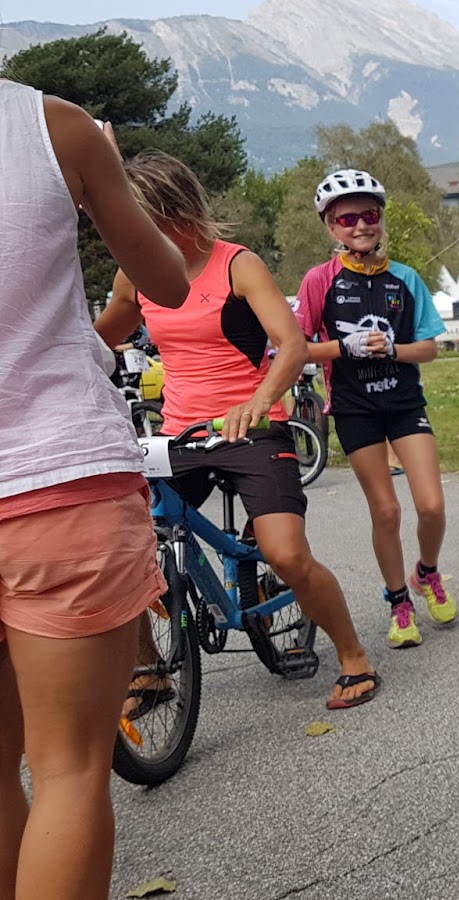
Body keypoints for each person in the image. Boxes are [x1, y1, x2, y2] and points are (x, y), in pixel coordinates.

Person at [93, 151, 382, 716]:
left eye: (138, 217)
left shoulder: (237, 265)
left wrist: (257, 402)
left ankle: (353, 656)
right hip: (179, 435)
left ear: (174, 210)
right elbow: (95, 343)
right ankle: (149, 671)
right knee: (122, 548)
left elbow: (291, 345)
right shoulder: (135, 274)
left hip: (254, 428)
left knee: (286, 553)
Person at [0, 83, 188, 900]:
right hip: (59, 479)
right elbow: (165, 283)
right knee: (70, 769)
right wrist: (98, 172)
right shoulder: (52, 126)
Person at [294, 170, 456, 650]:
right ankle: (399, 601)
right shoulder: (319, 280)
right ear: (331, 227)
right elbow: (295, 347)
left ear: (381, 218)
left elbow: (429, 348)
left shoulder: (405, 278)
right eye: (348, 219)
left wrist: (393, 349)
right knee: (385, 510)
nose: (361, 225)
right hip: (355, 407)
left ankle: (427, 572)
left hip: (404, 402)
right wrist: (342, 348)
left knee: (431, 505)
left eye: (369, 215)